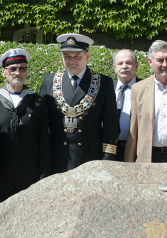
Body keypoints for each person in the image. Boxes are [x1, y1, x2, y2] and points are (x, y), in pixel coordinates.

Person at [39, 33, 118, 172]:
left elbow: (111, 127)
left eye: (77, 57)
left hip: (89, 159)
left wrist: (107, 161)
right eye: (67, 57)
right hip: (57, 159)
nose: (71, 61)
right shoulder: (49, 81)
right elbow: (42, 124)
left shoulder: (103, 83)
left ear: (87, 56)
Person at [0, 48, 49, 203]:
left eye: (22, 68)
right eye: (12, 69)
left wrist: (44, 176)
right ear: (3, 72)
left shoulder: (37, 102)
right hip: (2, 174)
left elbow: (43, 141)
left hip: (29, 174)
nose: (17, 72)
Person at [113, 49, 138, 161]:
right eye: (120, 63)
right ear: (114, 67)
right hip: (109, 148)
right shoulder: (106, 88)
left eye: (128, 62)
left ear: (136, 66)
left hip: (135, 149)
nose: (124, 66)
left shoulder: (145, 88)